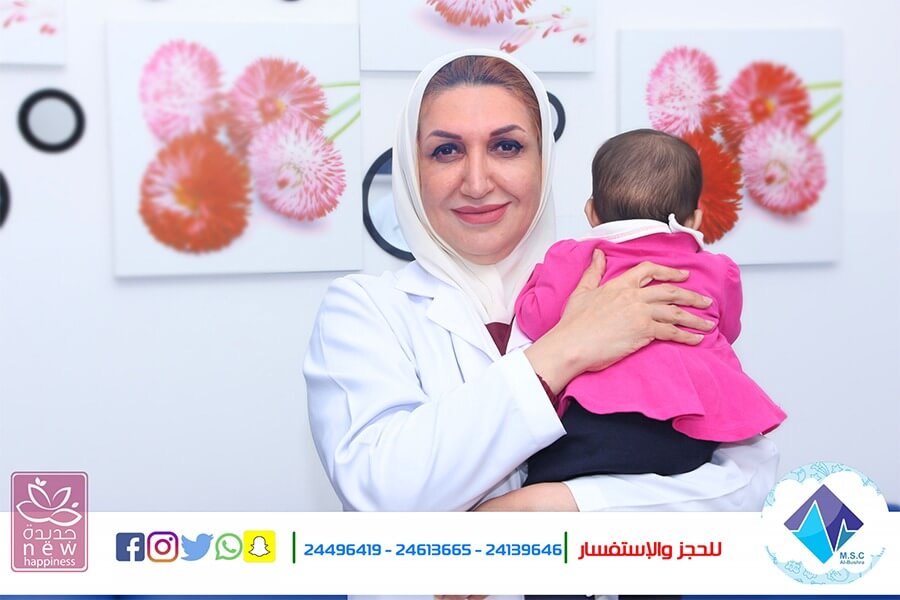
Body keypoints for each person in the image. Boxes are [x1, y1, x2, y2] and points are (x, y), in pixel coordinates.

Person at [303, 48, 779, 597]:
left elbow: (745, 487)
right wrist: (568, 347)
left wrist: (548, 510)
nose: (476, 182)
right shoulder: (364, 309)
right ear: (412, 171)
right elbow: (384, 495)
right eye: (446, 150)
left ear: (544, 162)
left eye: (506, 146)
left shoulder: (633, 284)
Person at [516, 129, 787, 487]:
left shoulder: (576, 257)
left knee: (544, 486)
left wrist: (535, 279)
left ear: (592, 213)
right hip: (688, 430)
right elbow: (726, 330)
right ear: (694, 220)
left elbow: (538, 320)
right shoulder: (717, 270)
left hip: (592, 422)